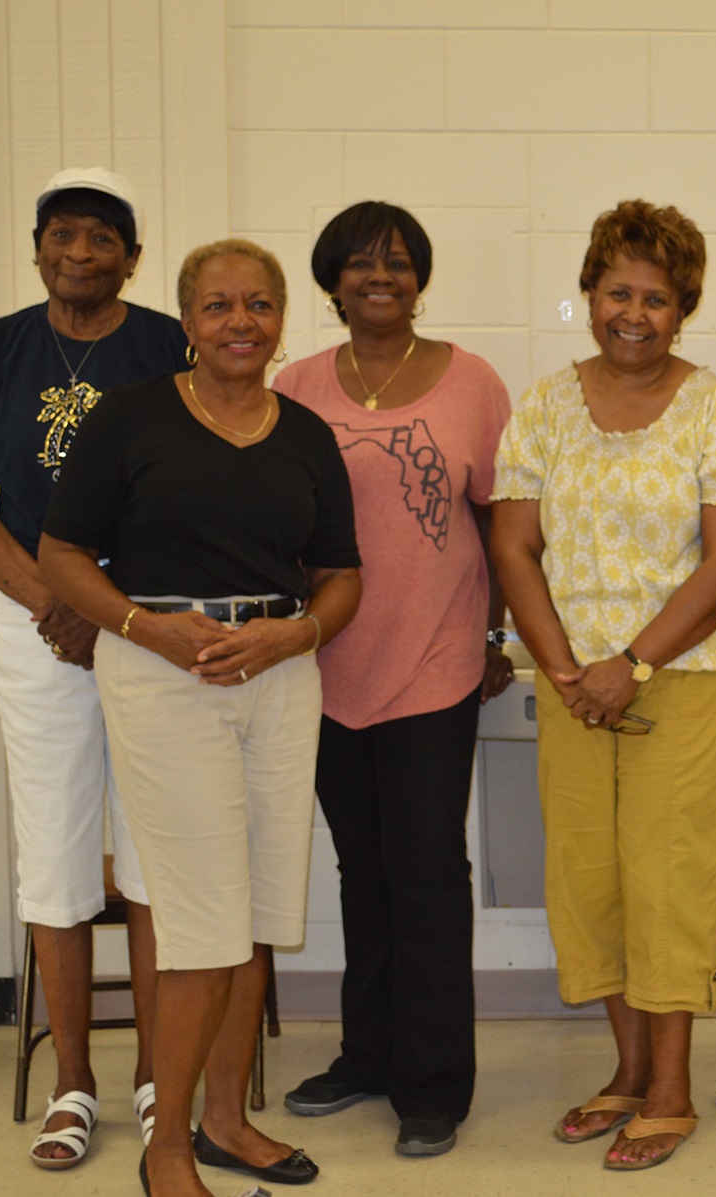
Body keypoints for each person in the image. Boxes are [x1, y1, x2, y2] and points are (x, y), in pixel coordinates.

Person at [37, 239, 362, 1197]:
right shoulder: (128, 420)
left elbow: (342, 577)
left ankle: (226, 1119)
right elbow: (62, 554)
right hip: (165, 677)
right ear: (185, 321)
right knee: (198, 924)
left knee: (256, 916)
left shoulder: (304, 434)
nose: (240, 322)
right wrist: (147, 628)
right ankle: (167, 1145)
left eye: (259, 305)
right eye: (218, 305)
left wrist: (294, 637)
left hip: (275, 674)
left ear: (280, 320)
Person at [488, 199, 716, 1171]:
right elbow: (514, 544)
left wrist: (633, 664)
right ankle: (626, 1068)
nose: (635, 313)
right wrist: (566, 668)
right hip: (573, 690)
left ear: (683, 308)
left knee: (670, 882)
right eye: (619, 291)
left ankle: (671, 1089)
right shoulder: (545, 404)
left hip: (684, 684)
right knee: (589, 882)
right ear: (591, 292)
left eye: (657, 298)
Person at [0, 167, 185, 1169]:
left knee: (159, 853)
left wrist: (115, 610)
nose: (80, 252)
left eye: (102, 238)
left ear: (131, 255)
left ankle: (161, 1077)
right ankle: (72, 1081)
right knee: (58, 856)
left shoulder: (169, 345)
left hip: (150, 620)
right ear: (36, 246)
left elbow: (197, 486)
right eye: (62, 235)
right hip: (37, 624)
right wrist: (57, 601)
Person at [274, 201, 513, 1157]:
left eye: (401, 262)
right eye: (362, 263)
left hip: (436, 659)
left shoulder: (473, 382)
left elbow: (502, 521)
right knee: (360, 867)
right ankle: (366, 1053)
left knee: (424, 866)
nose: (383, 276)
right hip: (322, 666)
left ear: (421, 279)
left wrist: (496, 630)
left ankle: (433, 1082)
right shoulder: (292, 384)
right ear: (331, 279)